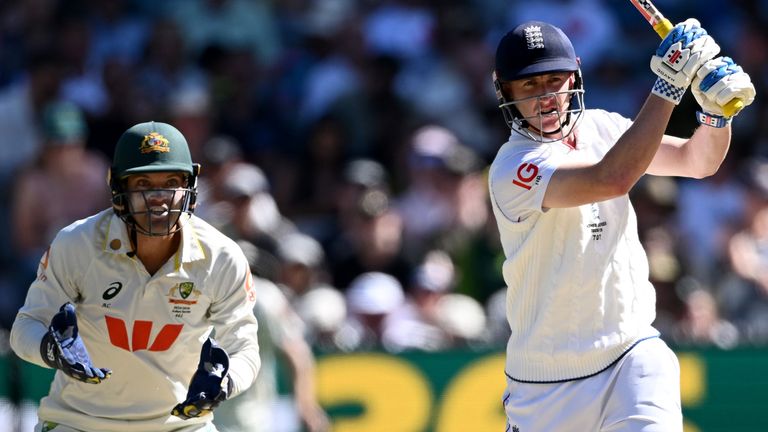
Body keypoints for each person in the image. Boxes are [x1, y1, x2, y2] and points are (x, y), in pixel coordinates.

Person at [489, 20, 755, 431]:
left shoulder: (604, 127)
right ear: (504, 91)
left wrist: (716, 115)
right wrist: (668, 85)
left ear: (575, 76)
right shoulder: (512, 167)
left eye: (555, 80)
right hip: (544, 384)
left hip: (632, 352)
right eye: (529, 86)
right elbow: (609, 178)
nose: (546, 97)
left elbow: (696, 161)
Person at [10, 121, 261, 432]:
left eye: (170, 182)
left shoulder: (221, 257)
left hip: (179, 425)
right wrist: (53, 349)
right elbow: (25, 329)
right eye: (143, 183)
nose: (158, 197)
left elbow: (245, 349)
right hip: (79, 422)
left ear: (190, 187)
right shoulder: (77, 244)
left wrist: (224, 381)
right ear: (118, 188)